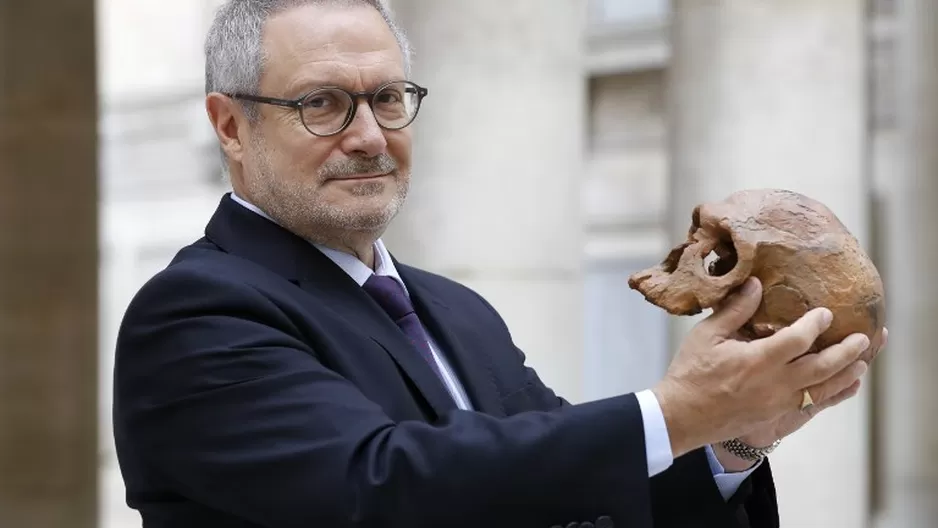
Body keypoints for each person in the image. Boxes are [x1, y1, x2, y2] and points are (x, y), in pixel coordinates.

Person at [111, 1, 886, 527]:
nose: (370, 136)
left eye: (387, 97)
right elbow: (381, 489)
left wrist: (736, 437)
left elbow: (568, 498)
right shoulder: (192, 313)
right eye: (322, 103)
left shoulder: (456, 311)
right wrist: (680, 411)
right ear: (231, 126)